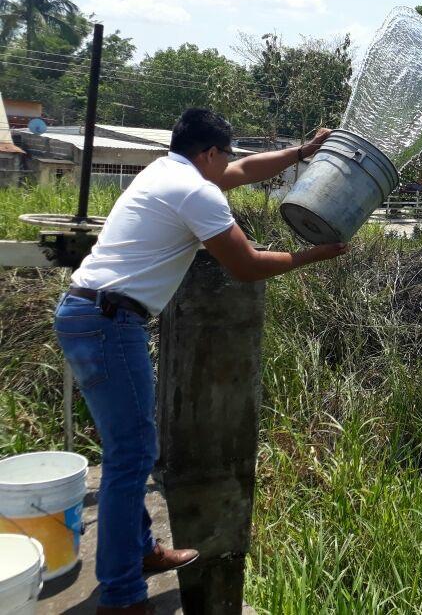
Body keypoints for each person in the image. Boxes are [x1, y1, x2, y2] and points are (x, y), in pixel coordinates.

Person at [53, 109, 348, 614]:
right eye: (226, 156)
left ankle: (140, 551)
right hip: (108, 321)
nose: (230, 166)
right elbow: (247, 264)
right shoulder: (196, 192)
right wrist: (308, 258)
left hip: (91, 313)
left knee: (131, 452)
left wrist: (301, 154)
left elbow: (245, 171)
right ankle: (122, 595)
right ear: (209, 153)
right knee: (131, 458)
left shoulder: (167, 171)